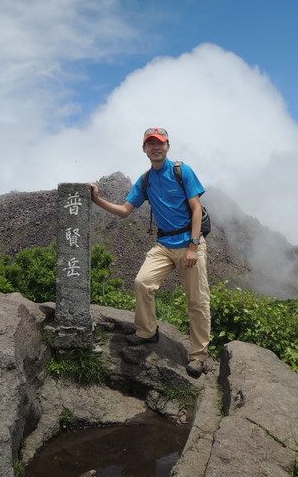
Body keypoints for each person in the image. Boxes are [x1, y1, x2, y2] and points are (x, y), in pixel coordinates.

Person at [90, 127, 211, 378]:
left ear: (168, 146)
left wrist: (193, 246)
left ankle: (198, 356)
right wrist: (97, 199)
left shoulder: (181, 171)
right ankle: (147, 331)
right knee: (142, 282)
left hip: (190, 241)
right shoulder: (145, 180)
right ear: (144, 149)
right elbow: (125, 211)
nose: (156, 148)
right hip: (165, 244)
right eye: (150, 144)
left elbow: (196, 209)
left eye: (160, 143)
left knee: (197, 301)